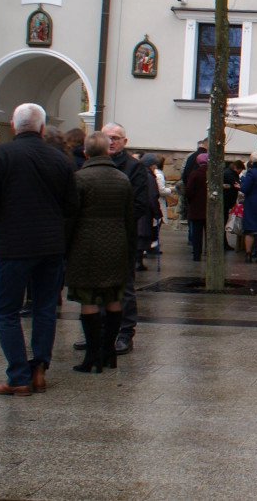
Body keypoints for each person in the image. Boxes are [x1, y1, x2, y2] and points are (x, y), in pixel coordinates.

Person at [0, 103, 78, 395]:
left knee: (7, 310)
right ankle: (39, 368)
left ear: (13, 124)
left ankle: (19, 375)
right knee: (44, 308)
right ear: (42, 127)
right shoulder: (59, 159)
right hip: (50, 245)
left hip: (15, 243)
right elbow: (72, 206)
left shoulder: (0, 154)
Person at [66, 132, 134, 373]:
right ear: (107, 151)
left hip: (86, 245)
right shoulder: (122, 179)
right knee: (114, 297)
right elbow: (129, 217)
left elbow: (70, 216)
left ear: (86, 153)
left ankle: (92, 355)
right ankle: (109, 352)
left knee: (89, 299)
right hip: (117, 243)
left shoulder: (79, 179)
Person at [99, 123, 148, 357]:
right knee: (96, 285)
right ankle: (98, 332)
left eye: (116, 137)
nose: (111, 141)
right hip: (95, 236)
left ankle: (125, 333)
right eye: (107, 137)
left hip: (122, 235)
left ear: (124, 141)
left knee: (124, 286)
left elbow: (140, 204)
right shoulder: (94, 163)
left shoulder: (134, 167)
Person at [135, 153, 163, 270]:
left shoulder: (139, 173)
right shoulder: (149, 177)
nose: (155, 168)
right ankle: (138, 262)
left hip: (139, 210)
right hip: (145, 212)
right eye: (154, 166)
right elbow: (152, 196)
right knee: (142, 236)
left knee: (139, 235)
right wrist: (157, 213)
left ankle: (138, 261)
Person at [185, 154, 209, 261]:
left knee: (197, 233)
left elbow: (189, 190)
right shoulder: (212, 174)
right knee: (209, 232)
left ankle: (196, 254)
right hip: (210, 208)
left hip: (196, 207)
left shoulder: (195, 174)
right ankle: (210, 252)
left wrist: (190, 201)